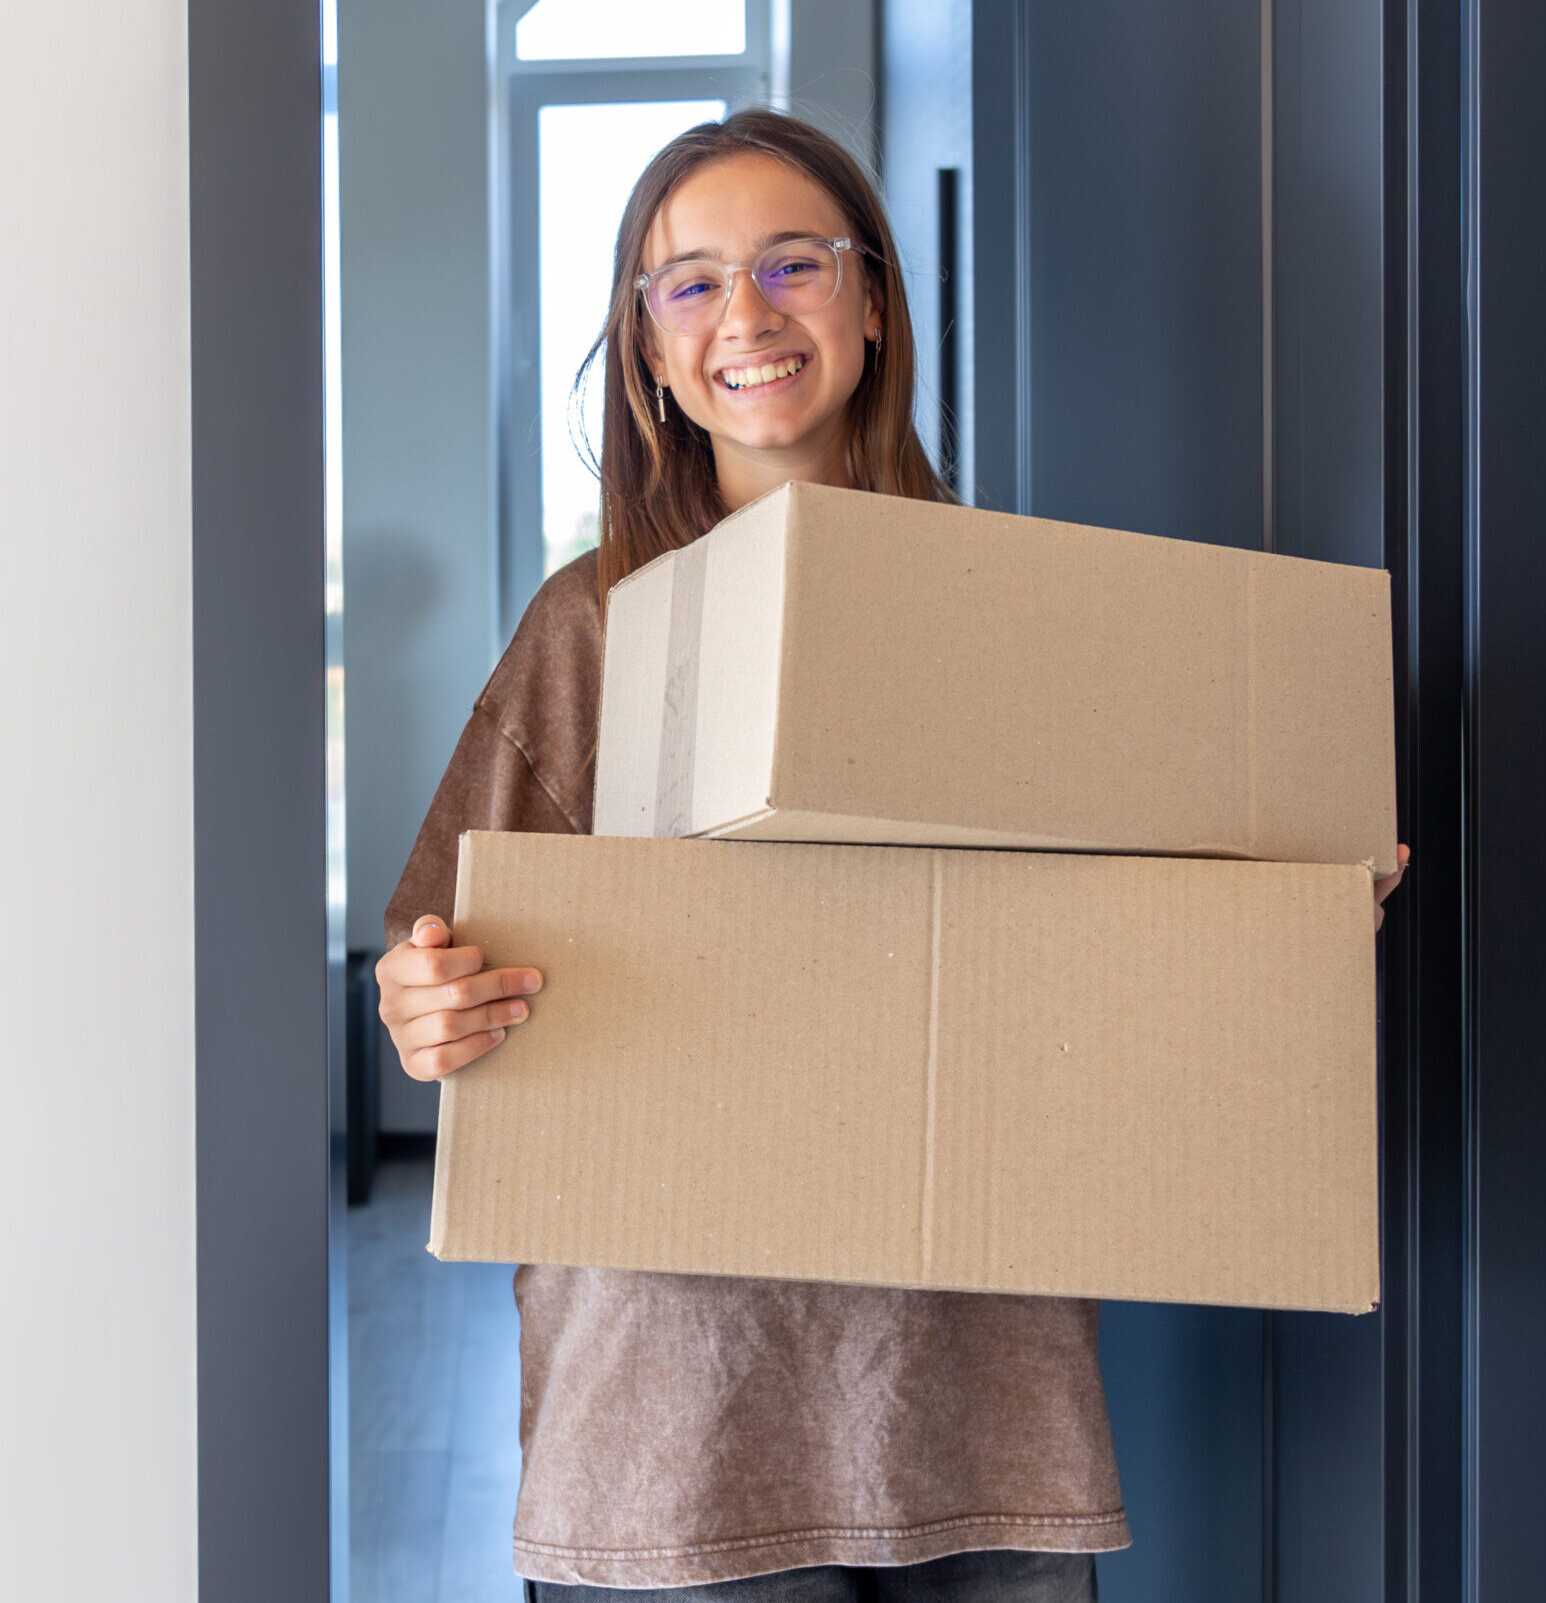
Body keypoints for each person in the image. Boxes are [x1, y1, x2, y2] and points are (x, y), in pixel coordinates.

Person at [374, 108, 1410, 1602]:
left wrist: (1292, 922)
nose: (747, 314)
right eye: (692, 283)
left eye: (793, 264)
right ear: (651, 348)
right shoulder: (590, 630)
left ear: (871, 301)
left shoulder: (1027, 614)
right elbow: (437, 954)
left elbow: (1133, 954)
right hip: (673, 1431)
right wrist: (428, 1002)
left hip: (979, 1417)